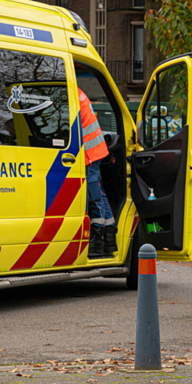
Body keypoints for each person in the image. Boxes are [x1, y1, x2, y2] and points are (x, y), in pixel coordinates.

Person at [78, 87, 115, 259]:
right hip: (95, 150)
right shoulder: (77, 92)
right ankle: (109, 238)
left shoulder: (71, 93)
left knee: (94, 196)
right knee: (99, 194)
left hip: (89, 153)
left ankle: (98, 238)